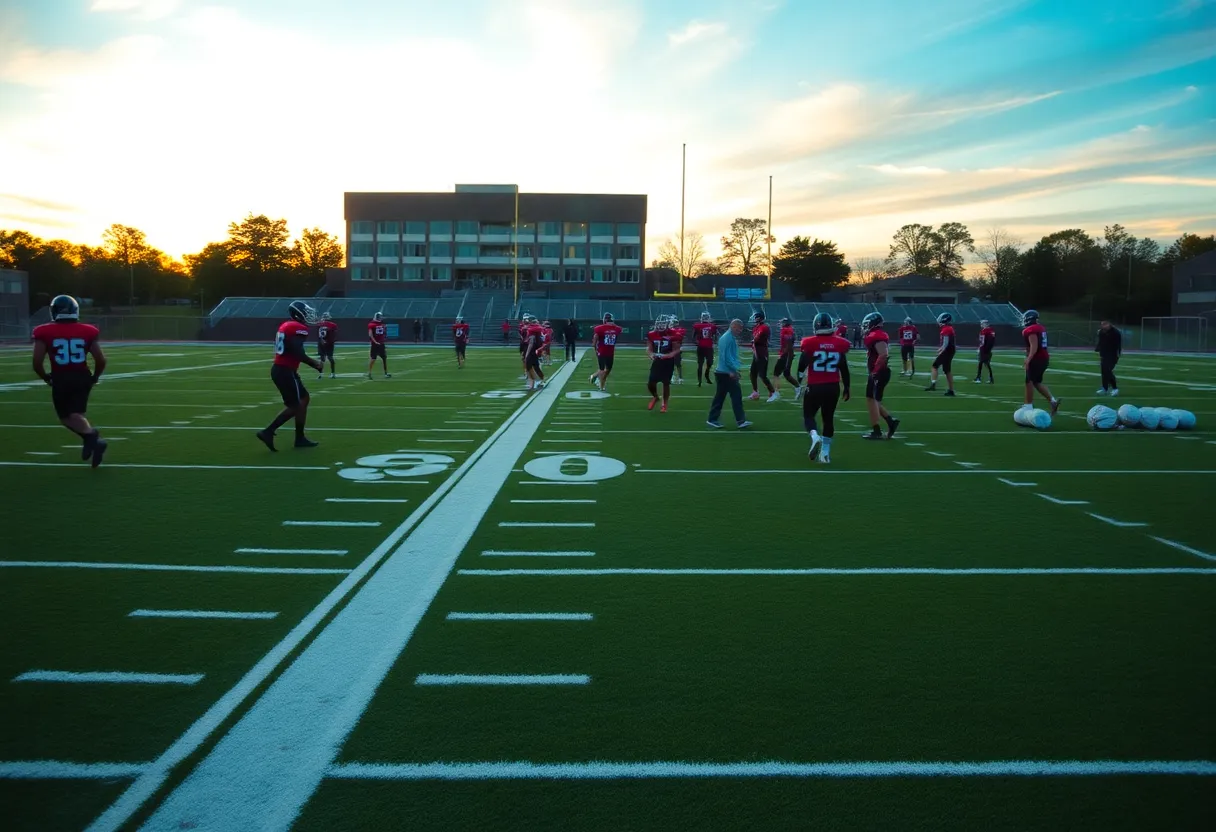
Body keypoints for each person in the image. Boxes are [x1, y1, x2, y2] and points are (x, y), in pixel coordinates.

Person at [30, 294, 108, 467]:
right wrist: (95, 377)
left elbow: (36, 362)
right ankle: (92, 440)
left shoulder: (44, 331)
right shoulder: (88, 330)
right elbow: (101, 360)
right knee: (76, 414)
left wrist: (45, 377)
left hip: (61, 376)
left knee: (67, 417)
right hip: (82, 375)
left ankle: (92, 438)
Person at [257, 300, 323, 452]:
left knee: (304, 399)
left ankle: (300, 438)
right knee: (295, 406)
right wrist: (315, 364)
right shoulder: (298, 327)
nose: (308, 315)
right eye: (306, 312)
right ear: (298, 314)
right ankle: (268, 432)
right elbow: (297, 352)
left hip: (283, 370)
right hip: (285, 371)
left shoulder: (287, 325)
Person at [797, 312, 850, 463]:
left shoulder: (810, 343)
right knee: (828, 419)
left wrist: (799, 382)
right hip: (833, 387)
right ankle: (825, 454)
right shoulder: (840, 343)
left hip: (815, 386)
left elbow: (802, 365)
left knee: (808, 416)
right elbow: (844, 367)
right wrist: (847, 387)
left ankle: (814, 436)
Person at [859, 312, 900, 440]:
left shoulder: (877, 335)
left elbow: (883, 354)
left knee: (872, 400)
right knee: (872, 399)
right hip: (878, 371)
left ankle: (877, 430)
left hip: (879, 372)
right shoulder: (874, 335)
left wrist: (875, 371)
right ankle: (890, 421)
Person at [706, 319, 752, 429]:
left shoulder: (729, 337)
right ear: (733, 326)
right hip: (725, 373)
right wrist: (732, 371)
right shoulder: (727, 338)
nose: (740, 330)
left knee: (721, 397)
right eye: (739, 328)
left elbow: (730, 356)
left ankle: (713, 419)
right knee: (735, 396)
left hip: (723, 372)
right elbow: (725, 357)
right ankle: (740, 421)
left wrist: (735, 368)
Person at [1020, 309, 1060, 416]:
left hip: (1037, 359)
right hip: (1043, 358)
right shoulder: (1040, 328)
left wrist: (1028, 358)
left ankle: (1028, 405)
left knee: (1028, 381)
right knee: (1036, 382)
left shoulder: (1031, 329)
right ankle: (1052, 401)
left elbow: (1034, 346)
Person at [646, 315, 681, 412]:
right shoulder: (651, 334)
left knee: (666, 383)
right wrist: (651, 355)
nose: (660, 326)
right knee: (651, 383)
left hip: (668, 362)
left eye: (663, 324)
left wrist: (668, 356)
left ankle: (664, 404)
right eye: (659, 324)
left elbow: (677, 350)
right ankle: (655, 397)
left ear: (667, 325)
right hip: (657, 361)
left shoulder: (673, 334)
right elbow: (649, 349)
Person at [748, 311, 778, 402]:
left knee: (762, 375)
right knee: (753, 373)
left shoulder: (764, 327)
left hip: (762, 353)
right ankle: (755, 392)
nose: (754, 319)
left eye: (756, 317)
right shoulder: (756, 327)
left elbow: (757, 339)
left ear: (759, 318)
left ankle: (773, 392)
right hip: (756, 353)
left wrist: (753, 341)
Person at [924, 312, 956, 396]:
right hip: (950, 350)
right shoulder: (948, 328)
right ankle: (951, 390)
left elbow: (945, 343)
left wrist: (941, 350)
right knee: (947, 370)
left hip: (947, 350)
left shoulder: (946, 329)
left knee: (935, 366)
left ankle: (933, 384)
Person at [590, 313, 622, 392]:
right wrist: (595, 347)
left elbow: (595, 338)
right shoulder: (614, 328)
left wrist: (594, 346)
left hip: (610, 352)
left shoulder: (602, 328)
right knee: (602, 369)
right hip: (602, 351)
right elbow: (595, 338)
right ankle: (602, 386)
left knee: (608, 369)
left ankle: (594, 376)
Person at [772, 317, 799, 394]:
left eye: (783, 322)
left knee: (776, 373)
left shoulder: (786, 330)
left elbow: (789, 343)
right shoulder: (789, 329)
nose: (781, 324)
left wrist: (784, 354)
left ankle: (776, 393)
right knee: (786, 374)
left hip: (786, 354)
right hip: (787, 354)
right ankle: (797, 387)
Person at [1096, 320, 1122, 396]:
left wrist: (1117, 355)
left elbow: (1118, 345)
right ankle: (1105, 388)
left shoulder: (1115, 333)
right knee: (1104, 371)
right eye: (1102, 324)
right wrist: (1098, 349)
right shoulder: (1101, 332)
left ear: (1109, 324)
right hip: (1104, 354)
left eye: (1105, 324)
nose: (1104, 326)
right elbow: (1101, 342)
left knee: (1108, 371)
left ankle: (1115, 388)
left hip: (1113, 354)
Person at [692, 312, 717, 387]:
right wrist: (696, 342)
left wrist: (715, 341)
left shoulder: (712, 326)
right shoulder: (697, 326)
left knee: (710, 362)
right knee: (700, 364)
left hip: (709, 347)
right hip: (701, 347)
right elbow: (693, 336)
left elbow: (714, 335)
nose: (705, 318)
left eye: (706, 317)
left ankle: (706, 374)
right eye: (704, 317)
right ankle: (699, 381)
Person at [524, 317, 546, 390]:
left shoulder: (532, 335)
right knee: (536, 367)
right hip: (535, 353)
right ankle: (541, 379)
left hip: (531, 353)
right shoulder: (538, 333)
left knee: (529, 368)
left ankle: (532, 383)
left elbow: (530, 345)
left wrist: (526, 355)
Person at [367, 312, 391, 379]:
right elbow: (370, 335)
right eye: (380, 316)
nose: (381, 317)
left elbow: (382, 335)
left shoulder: (382, 324)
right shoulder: (372, 324)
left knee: (384, 358)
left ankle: (386, 373)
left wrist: (383, 342)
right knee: (373, 358)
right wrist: (375, 342)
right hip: (375, 345)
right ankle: (369, 372)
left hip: (381, 344)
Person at [317, 312, 338, 379]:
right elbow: (334, 334)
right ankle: (332, 373)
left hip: (321, 342)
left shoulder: (320, 324)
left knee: (322, 359)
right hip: (329, 342)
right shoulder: (333, 325)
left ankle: (320, 374)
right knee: (330, 357)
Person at [975, 319, 995, 384]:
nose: (981, 325)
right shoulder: (989, 331)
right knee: (984, 363)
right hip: (985, 349)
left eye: (982, 323)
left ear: (986, 324)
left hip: (984, 350)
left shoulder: (986, 331)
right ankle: (988, 378)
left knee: (983, 363)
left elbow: (986, 342)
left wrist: (984, 349)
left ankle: (979, 377)